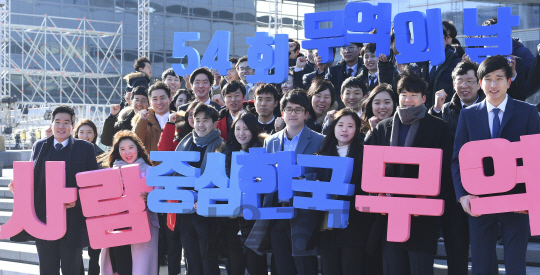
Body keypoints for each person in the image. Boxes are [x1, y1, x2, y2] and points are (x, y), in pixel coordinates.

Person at [452, 55, 540, 275]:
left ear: (509, 82)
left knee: (516, 265)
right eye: (488, 78)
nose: (493, 84)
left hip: (517, 201)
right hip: (480, 202)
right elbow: (457, 160)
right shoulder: (468, 115)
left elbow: (535, 157)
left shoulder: (527, 112)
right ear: (480, 83)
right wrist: (463, 195)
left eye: (499, 78)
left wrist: (532, 197)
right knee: (481, 265)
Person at [367, 72, 453, 275]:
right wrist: (377, 196)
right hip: (390, 212)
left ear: (424, 98)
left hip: (422, 213)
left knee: (420, 268)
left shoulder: (439, 127)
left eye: (414, 95)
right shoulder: (383, 127)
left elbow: (447, 169)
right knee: (393, 268)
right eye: (404, 94)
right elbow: (371, 166)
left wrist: (426, 198)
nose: (408, 99)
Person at [8, 105, 99, 274]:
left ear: (73, 126)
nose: (61, 126)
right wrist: (19, 187)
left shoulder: (85, 148)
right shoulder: (40, 146)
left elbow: (93, 183)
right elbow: (33, 178)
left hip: (71, 221)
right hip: (43, 220)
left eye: (66, 122)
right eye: (57, 122)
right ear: (51, 124)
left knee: (71, 269)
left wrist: (77, 199)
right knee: (47, 269)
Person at [246, 90, 324, 275]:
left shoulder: (320, 140)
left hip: (305, 214)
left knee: (306, 267)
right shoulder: (271, 141)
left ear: (306, 114)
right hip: (277, 212)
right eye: (289, 109)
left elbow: (324, 175)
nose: (293, 113)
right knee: (282, 267)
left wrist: (303, 180)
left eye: (298, 109)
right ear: (282, 113)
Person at [317, 108, 372, 275]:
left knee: (351, 268)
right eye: (340, 125)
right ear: (333, 127)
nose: (345, 129)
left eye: (350, 126)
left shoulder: (364, 154)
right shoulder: (322, 154)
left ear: (356, 130)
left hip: (354, 224)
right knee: (330, 268)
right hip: (327, 225)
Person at [99, 130, 159, 275]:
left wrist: (150, 197)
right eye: (122, 149)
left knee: (141, 267)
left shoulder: (151, 172)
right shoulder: (110, 173)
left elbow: (160, 197)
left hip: (144, 227)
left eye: (131, 147)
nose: (127, 152)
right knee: (120, 267)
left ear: (138, 148)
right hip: (118, 227)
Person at [176, 103, 224, 275]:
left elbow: (223, 182)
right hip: (186, 211)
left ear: (215, 123)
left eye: (206, 120)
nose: (201, 124)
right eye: (197, 120)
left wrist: (205, 199)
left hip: (209, 214)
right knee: (191, 261)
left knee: (208, 261)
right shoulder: (185, 143)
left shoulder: (221, 146)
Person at [217, 113, 267, 275]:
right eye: (237, 129)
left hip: (255, 218)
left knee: (255, 263)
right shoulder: (226, 152)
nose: (241, 133)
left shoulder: (262, 151)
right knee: (234, 263)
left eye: (246, 129)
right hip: (232, 219)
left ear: (254, 130)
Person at [74, 119, 105, 275]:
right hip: (74, 206)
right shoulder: (69, 153)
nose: (85, 136)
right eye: (81, 132)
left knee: (95, 249)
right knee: (75, 247)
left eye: (89, 132)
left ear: (95, 135)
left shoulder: (103, 156)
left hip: (96, 207)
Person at [425, 22, 461, 108]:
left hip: (445, 115)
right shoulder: (418, 64)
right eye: (431, 39)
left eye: (439, 39)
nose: (435, 42)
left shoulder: (457, 63)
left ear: (446, 40)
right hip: (420, 117)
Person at [132, 82, 171, 152]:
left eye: (162, 98)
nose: (159, 102)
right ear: (150, 102)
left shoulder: (179, 120)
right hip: (150, 162)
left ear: (170, 99)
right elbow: (136, 143)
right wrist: (142, 121)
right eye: (155, 99)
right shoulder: (142, 120)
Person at [326, 42, 364, 108]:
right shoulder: (333, 71)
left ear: (360, 49)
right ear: (340, 52)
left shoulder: (366, 70)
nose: (347, 51)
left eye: (351, 47)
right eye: (343, 48)